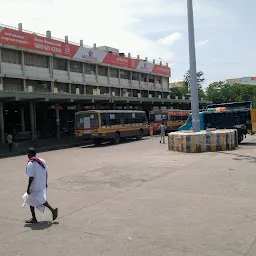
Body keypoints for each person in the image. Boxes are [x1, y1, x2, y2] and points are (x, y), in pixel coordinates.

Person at [22, 147, 58, 224]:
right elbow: (46, 172)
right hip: (41, 184)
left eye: (28, 153)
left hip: (34, 186)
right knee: (31, 200)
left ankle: (52, 210)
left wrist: (28, 188)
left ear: (30, 154)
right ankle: (34, 218)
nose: (27, 155)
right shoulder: (42, 161)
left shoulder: (30, 163)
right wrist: (45, 182)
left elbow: (31, 177)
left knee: (38, 200)